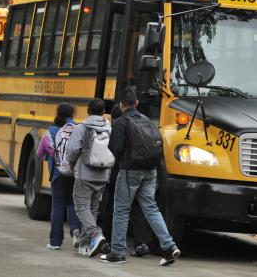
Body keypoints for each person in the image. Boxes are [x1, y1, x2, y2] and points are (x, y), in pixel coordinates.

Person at [101, 89, 180, 266]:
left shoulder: (121, 122)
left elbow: (115, 148)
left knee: (121, 210)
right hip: (150, 171)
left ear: (121, 105)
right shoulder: (148, 121)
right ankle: (169, 246)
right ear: (136, 103)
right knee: (151, 209)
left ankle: (118, 252)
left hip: (130, 171)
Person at [100, 104, 155, 257]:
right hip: (141, 170)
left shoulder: (119, 126)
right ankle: (141, 243)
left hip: (122, 171)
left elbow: (114, 149)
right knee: (138, 208)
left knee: (114, 207)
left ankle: (111, 242)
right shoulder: (141, 125)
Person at [66, 98, 112, 257]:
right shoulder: (109, 128)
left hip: (85, 173)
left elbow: (72, 150)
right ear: (104, 111)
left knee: (81, 207)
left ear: (88, 110)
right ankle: (85, 245)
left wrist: (72, 166)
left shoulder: (81, 128)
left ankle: (96, 234)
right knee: (92, 209)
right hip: (103, 174)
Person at [37, 103, 81, 250]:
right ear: (72, 114)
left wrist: (49, 157)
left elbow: (40, 154)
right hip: (75, 173)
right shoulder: (78, 129)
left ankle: (55, 242)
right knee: (72, 203)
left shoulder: (50, 132)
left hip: (57, 174)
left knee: (57, 206)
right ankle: (76, 231)